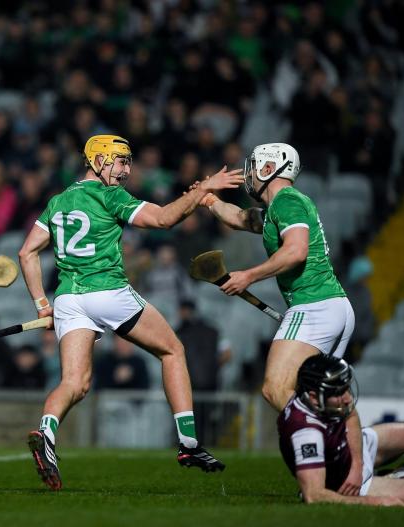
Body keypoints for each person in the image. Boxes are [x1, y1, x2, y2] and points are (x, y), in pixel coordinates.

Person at [18, 134, 242, 490]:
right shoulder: (110, 196)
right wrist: (204, 190)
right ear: (99, 161)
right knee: (173, 350)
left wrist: (42, 305)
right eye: (120, 161)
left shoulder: (58, 201)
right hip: (107, 291)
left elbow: (27, 252)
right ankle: (189, 444)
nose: (126, 170)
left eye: (127, 162)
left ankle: (46, 432)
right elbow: (165, 219)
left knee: (75, 383)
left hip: (67, 299)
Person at [201, 142, 366, 496]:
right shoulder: (279, 208)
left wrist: (248, 276)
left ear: (268, 169)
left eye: (253, 165)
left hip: (314, 306)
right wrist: (210, 200)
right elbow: (241, 218)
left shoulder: (288, 202)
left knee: (275, 388)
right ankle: (353, 465)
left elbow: (296, 251)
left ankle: (325, 449)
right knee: (326, 395)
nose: (247, 172)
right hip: (332, 306)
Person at [279, 354, 404, 506]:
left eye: (347, 388)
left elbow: (351, 415)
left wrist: (357, 465)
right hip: (345, 483)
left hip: (352, 450)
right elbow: (314, 496)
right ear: (313, 397)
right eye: (339, 392)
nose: (348, 398)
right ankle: (388, 480)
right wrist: (374, 501)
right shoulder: (306, 433)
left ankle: (391, 476)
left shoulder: (317, 399)